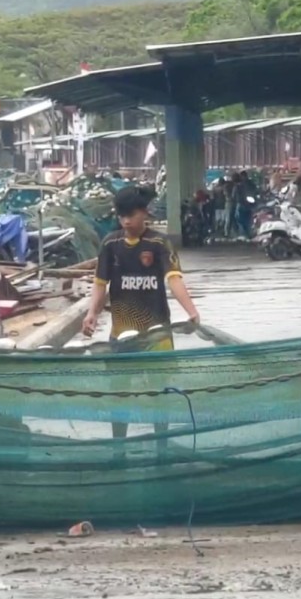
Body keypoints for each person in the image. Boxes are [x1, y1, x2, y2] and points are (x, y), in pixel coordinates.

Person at [83, 186, 200, 442]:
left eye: (131, 214)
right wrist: (92, 313)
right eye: (121, 215)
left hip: (157, 333)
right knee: (119, 392)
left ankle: (162, 444)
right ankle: (118, 445)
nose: (126, 221)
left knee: (160, 391)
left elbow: (174, 279)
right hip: (121, 334)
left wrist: (191, 311)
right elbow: (100, 284)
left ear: (144, 213)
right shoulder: (110, 244)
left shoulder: (159, 243)